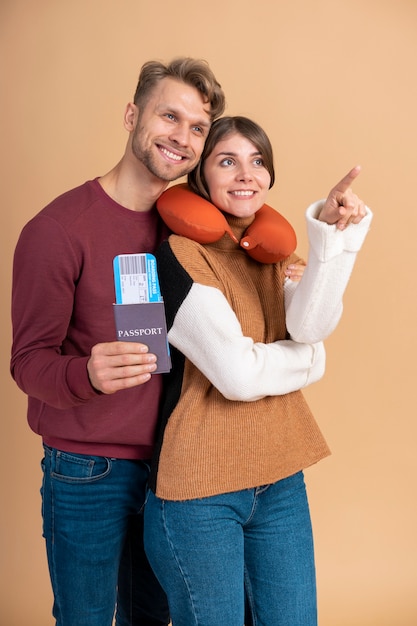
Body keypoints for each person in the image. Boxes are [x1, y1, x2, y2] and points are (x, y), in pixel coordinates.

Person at [10, 57, 225, 626]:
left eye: (197, 128)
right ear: (132, 115)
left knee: (153, 618)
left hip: (173, 471)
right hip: (87, 471)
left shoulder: (190, 228)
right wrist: (85, 374)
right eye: (168, 117)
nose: (182, 137)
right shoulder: (55, 231)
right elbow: (27, 363)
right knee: (83, 618)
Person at [143, 116, 373, 626]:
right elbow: (239, 375)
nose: (246, 173)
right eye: (228, 161)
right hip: (200, 493)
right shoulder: (180, 255)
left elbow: (311, 325)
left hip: (280, 481)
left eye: (258, 161)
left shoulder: (272, 251)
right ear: (201, 175)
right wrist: (309, 361)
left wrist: (336, 240)